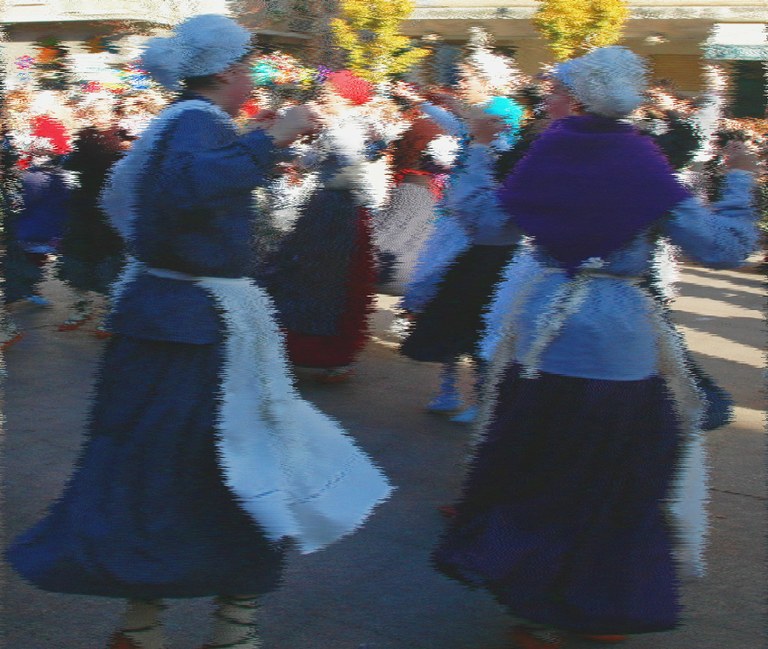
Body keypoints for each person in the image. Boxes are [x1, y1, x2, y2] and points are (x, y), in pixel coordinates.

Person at [6, 15, 391, 649]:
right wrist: (272, 139)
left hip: (172, 315)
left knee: (154, 462)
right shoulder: (196, 121)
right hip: (192, 324)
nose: (253, 80)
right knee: (228, 462)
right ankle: (225, 622)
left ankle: (149, 621)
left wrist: (263, 143)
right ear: (225, 70)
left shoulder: (184, 121)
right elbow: (187, 188)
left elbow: (166, 195)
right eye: (247, 68)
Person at [432, 46, 761, 649]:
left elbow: (485, 222)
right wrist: (740, 178)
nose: (547, 98)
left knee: (539, 466)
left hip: (544, 331)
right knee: (613, 476)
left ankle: (535, 600)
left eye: (557, 90)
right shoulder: (641, 159)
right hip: (616, 339)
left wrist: (475, 150)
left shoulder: (549, 153)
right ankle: (595, 600)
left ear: (579, 98)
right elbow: (722, 247)